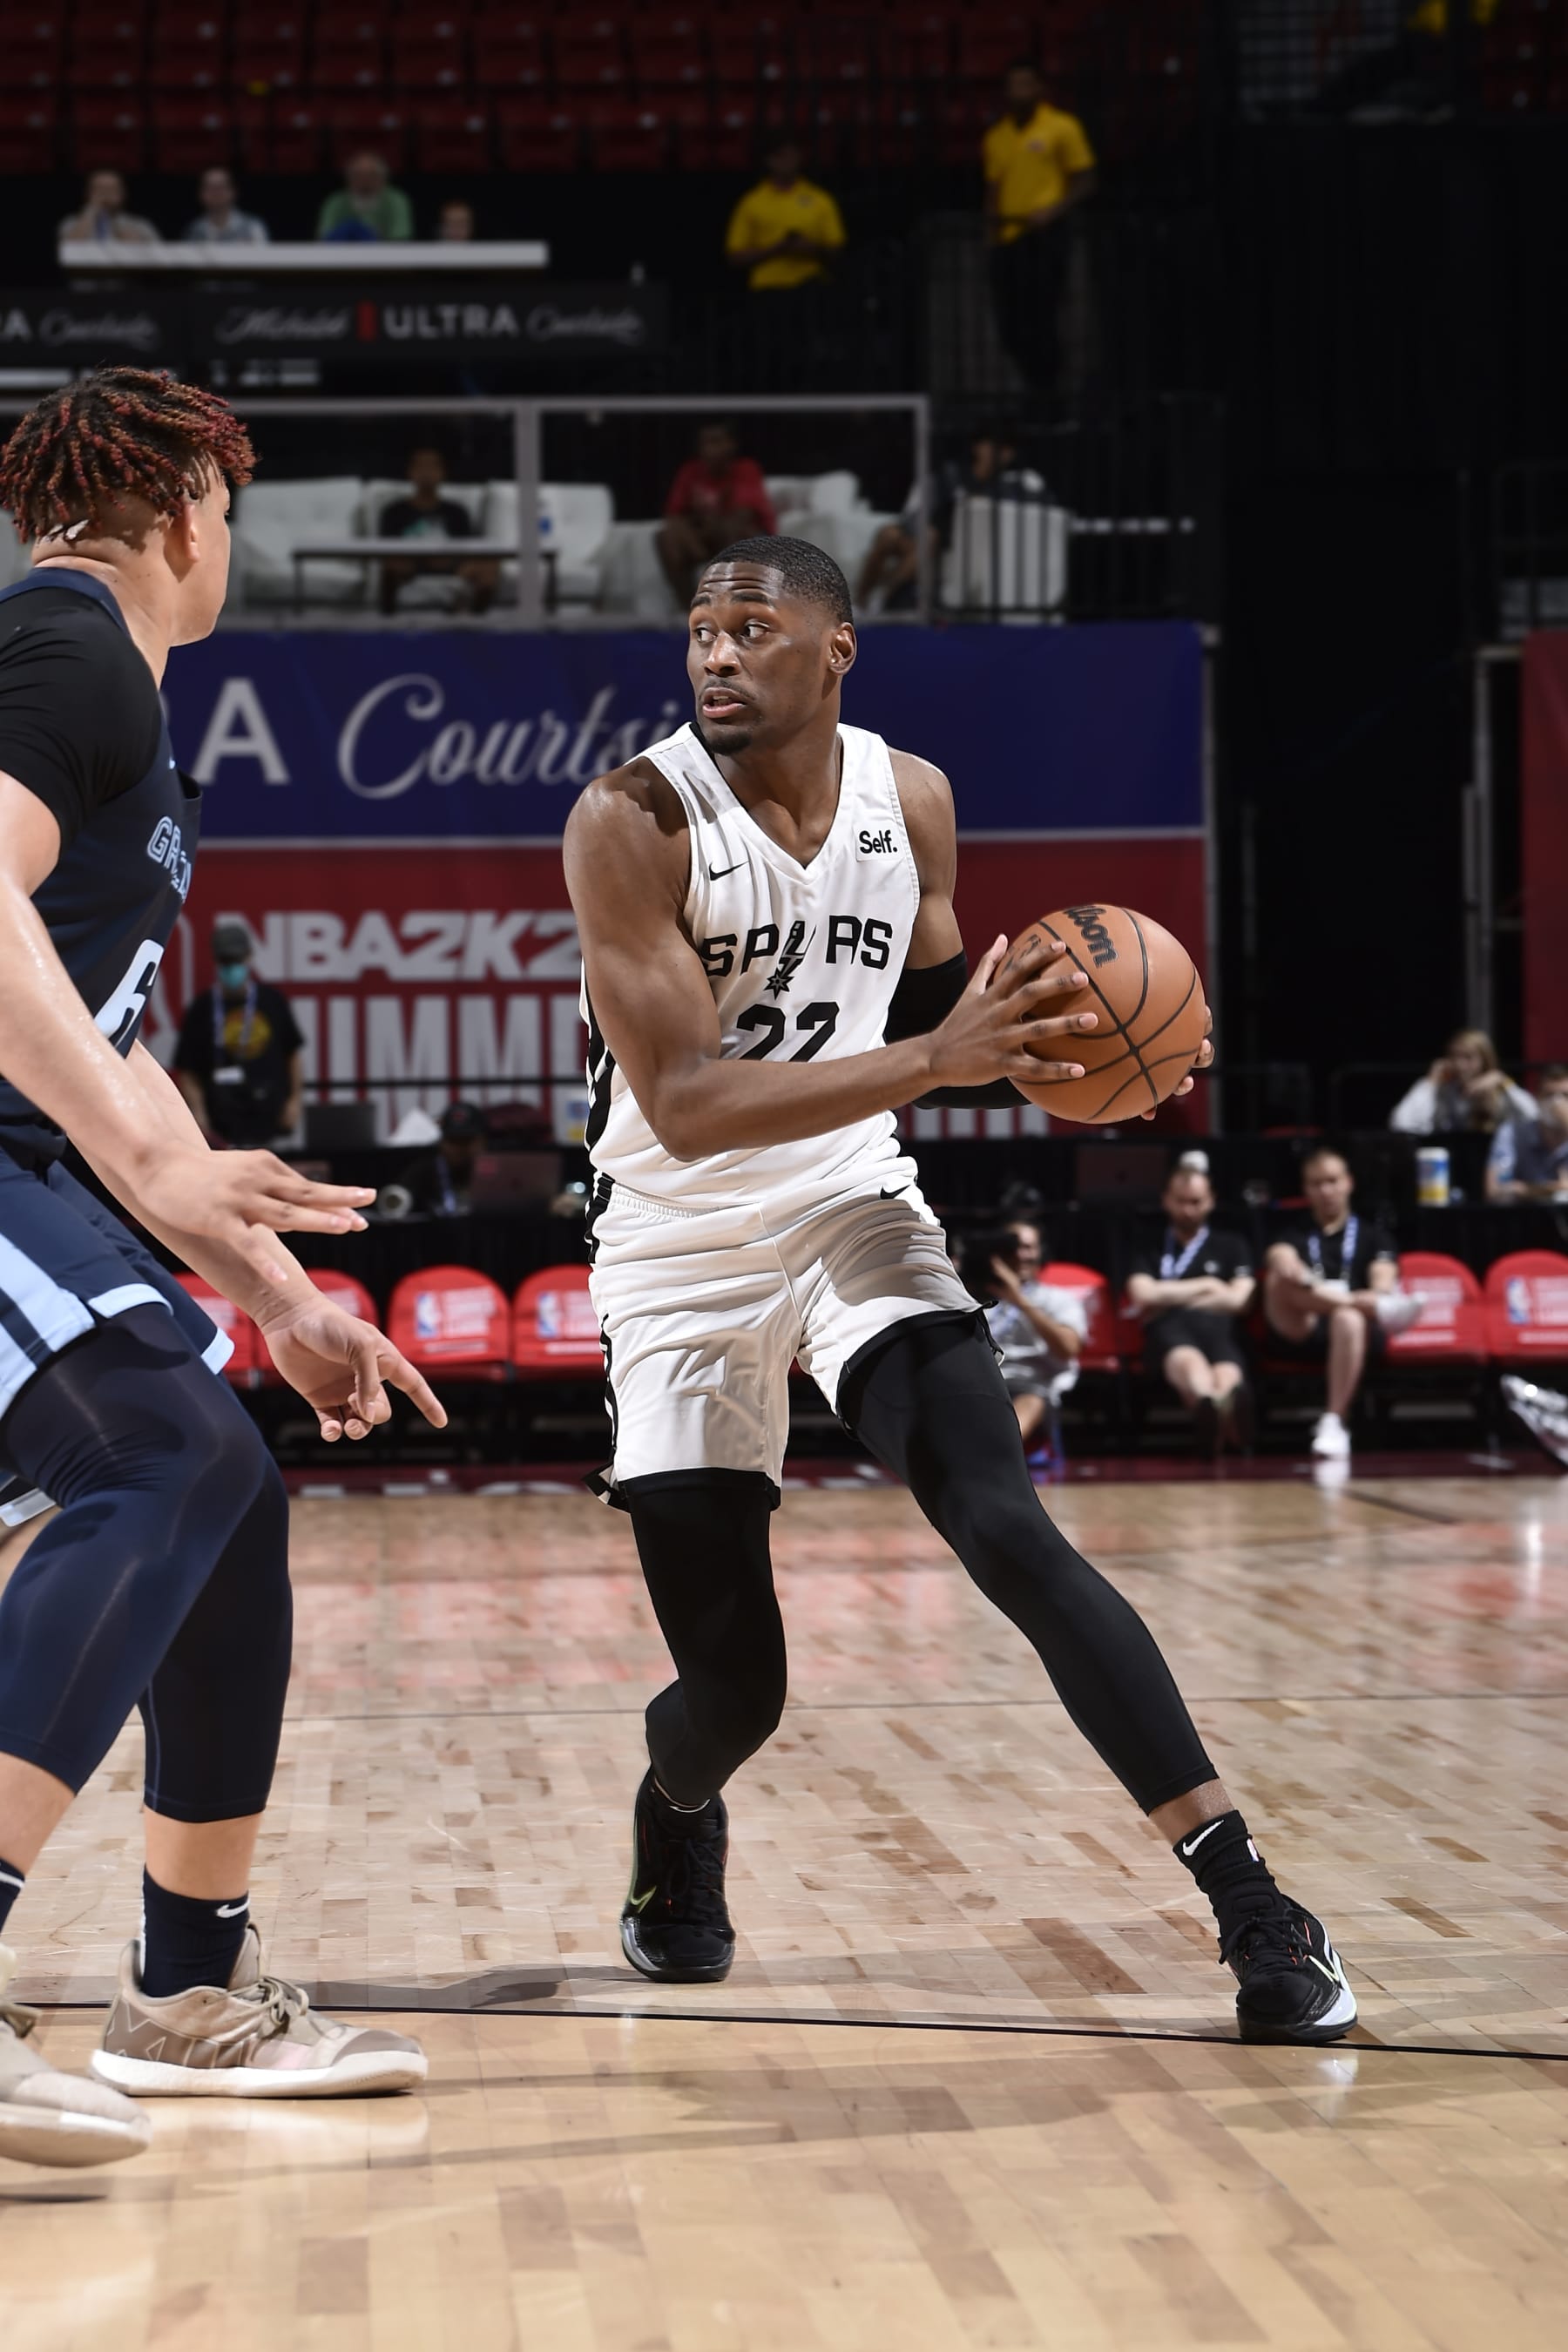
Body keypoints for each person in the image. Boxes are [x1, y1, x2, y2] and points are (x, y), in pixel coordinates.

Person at [563, 531, 1355, 2049]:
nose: (717, 655)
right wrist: (941, 1058)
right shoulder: (631, 819)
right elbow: (687, 1101)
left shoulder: (909, 797)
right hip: (675, 1243)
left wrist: (1074, 1032)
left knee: (1006, 1525)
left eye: (752, 630)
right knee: (737, 1693)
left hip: (854, 1196)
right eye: (700, 633)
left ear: (836, 647)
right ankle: (677, 1812)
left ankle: (1252, 1898)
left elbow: (933, 999)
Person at [0, 369, 447, 2170]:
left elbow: (110, 1052)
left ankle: (187, 1992)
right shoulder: (71, 645)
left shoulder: (93, 682)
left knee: (222, 1488)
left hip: (35, 1164)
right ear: (192, 513)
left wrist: (271, 1293)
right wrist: (122, 1158)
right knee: (159, 1464)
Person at [1262, 1146, 1417, 1461]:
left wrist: (1371, 1295)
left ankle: (1334, 1419)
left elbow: (1382, 1280)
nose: (1326, 1191)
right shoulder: (1295, 1232)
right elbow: (1279, 1255)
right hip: (1305, 1325)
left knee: (1348, 1317)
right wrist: (1287, 1262)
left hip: (1356, 1331)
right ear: (1306, 1189)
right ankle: (1348, 1303)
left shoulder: (1374, 1236)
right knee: (1278, 1280)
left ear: (1348, 1183)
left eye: (1332, 1181)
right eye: (1317, 1183)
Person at [1126, 1160, 1257, 1453]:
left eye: (1196, 1201)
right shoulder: (1150, 1245)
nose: (1189, 1209)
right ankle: (1215, 1413)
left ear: (1211, 1201)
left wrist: (1168, 1296)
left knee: (1227, 1372)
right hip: (1169, 1331)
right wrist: (1209, 1284)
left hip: (1220, 1331)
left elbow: (1240, 1300)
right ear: (1166, 1201)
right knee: (1188, 1362)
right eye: (1181, 1201)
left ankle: (1220, 1412)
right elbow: (1142, 1295)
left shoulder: (1232, 1244)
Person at [983, 62, 1095, 392]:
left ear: (1041, 89)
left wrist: (1053, 211)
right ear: (1005, 93)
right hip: (1008, 239)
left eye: (1028, 84)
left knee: (1043, 320)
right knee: (1009, 327)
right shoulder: (996, 137)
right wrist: (989, 236)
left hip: (1046, 236)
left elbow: (1087, 180)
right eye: (1014, 85)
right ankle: (1036, 389)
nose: (1021, 91)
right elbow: (992, 190)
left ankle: (1050, 396)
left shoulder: (1063, 127)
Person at [855, 429, 1037, 615]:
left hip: (956, 547)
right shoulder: (950, 476)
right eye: (991, 445)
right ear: (977, 447)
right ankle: (860, 601)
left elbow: (1033, 504)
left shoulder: (1009, 484)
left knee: (929, 538)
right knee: (889, 534)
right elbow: (917, 512)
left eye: (1006, 448)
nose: (997, 452)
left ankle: (882, 595)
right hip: (920, 536)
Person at [172, 920, 303, 1147]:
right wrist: (198, 1114)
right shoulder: (202, 1009)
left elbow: (292, 1055)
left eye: (237, 961)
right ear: (216, 961)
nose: (232, 968)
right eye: (226, 962)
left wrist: (294, 1101)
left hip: (269, 1121)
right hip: (221, 1126)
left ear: (249, 957)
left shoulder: (272, 1002)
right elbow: (188, 1070)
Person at [980, 1217, 1085, 1463]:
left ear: (1040, 1252)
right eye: (1014, 1246)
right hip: (981, 1380)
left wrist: (1020, 1300)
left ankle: (994, 1458)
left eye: (1028, 1247)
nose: (1021, 1254)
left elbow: (1068, 1348)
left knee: (1031, 1400)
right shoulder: (975, 1298)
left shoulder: (1058, 1299)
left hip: (1031, 1384)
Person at [657, 421, 777, 605]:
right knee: (667, 538)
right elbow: (674, 515)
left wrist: (705, 525)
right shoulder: (691, 471)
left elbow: (743, 515)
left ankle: (736, 606)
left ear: (732, 444)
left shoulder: (746, 469)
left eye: (717, 442)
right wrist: (692, 539)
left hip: (747, 540)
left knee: (732, 529)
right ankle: (691, 608)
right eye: (706, 443)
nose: (711, 449)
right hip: (704, 538)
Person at [377, 446, 498, 617]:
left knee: (489, 565)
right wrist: (424, 558)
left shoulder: (457, 511)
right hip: (411, 568)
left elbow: (469, 549)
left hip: (452, 566)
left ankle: (474, 622)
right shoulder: (395, 511)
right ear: (410, 472)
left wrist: (448, 560)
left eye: (433, 467)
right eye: (421, 467)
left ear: (443, 472)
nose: (427, 472)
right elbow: (385, 550)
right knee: (391, 566)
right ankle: (388, 622)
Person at [724, 140, 846, 294]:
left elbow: (838, 249)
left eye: (791, 155)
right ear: (769, 160)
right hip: (767, 288)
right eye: (780, 156)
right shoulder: (751, 202)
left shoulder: (820, 199)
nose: (786, 161)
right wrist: (777, 248)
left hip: (811, 285)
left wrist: (811, 248)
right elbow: (734, 257)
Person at [1389, 1028, 1534, 1135]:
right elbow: (1401, 1123)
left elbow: (1532, 1117)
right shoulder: (1441, 1092)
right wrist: (1430, 1082)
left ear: (1485, 1060)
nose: (1460, 1065)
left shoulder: (1501, 1090)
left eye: (1468, 1058)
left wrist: (1504, 1082)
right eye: (1454, 1057)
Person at [1486, 1064, 1568, 1202]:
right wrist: (1544, 1190)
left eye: (1566, 1095)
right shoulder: (1512, 1133)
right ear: (1536, 1098)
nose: (1557, 1103)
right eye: (1549, 1095)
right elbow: (1495, 1192)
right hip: (1527, 1219)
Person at [402, 1099, 485, 1216]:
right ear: (442, 1142)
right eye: (453, 1141)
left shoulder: (498, 1172)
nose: (460, 1149)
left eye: (466, 1141)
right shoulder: (423, 1172)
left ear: (482, 1141)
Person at [315, 152, 414, 244]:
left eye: (371, 175)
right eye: (358, 175)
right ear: (349, 178)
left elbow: (400, 238)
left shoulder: (396, 200)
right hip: (340, 257)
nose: (365, 180)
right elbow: (324, 237)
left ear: (382, 178)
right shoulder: (335, 202)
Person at [57, 169, 159, 250]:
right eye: (99, 189)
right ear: (88, 193)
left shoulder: (141, 224)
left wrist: (114, 215)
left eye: (111, 189)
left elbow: (141, 251)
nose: (105, 194)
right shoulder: (71, 223)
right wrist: (92, 209)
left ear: (123, 194)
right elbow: (70, 248)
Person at [181, 167, 268, 247]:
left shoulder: (253, 227)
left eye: (221, 187)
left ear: (233, 191)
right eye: (210, 187)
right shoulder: (194, 230)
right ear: (201, 194)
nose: (216, 193)